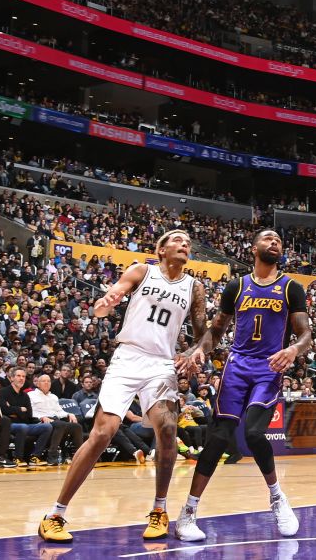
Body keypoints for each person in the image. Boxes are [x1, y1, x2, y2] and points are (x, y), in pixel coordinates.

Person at [38, 230, 207, 544]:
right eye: (177, 240)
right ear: (161, 249)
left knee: (168, 430)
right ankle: (55, 514)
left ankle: (159, 510)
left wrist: (197, 351)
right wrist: (105, 304)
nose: (184, 244)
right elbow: (109, 300)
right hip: (128, 357)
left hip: (160, 364)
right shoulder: (142, 271)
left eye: (187, 242)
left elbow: (203, 334)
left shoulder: (193, 287)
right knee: (103, 433)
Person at [175, 229, 311, 542]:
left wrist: (292, 350)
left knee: (252, 432)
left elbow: (305, 334)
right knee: (218, 437)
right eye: (268, 238)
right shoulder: (237, 286)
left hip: (268, 368)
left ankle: (277, 497)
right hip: (237, 366)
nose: (275, 241)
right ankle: (189, 512)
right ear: (253, 249)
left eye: (279, 238)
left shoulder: (291, 288)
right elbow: (216, 330)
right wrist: (199, 349)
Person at [0, 366, 53, 465]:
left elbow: (28, 414)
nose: (21, 378)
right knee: (22, 427)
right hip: (9, 425)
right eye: (18, 376)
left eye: (23, 376)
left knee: (47, 427)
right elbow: (2, 410)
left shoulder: (25, 395)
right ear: (11, 378)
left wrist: (12, 410)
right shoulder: (4, 392)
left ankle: (35, 456)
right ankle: (18, 458)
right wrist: (20, 409)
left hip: (25, 423)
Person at [30, 374, 83, 465]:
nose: (47, 383)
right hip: (40, 421)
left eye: (48, 381)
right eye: (44, 381)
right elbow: (30, 411)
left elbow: (59, 411)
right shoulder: (31, 395)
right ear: (37, 384)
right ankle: (52, 456)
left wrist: (69, 414)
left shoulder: (53, 397)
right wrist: (41, 417)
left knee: (76, 426)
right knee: (60, 424)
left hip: (55, 420)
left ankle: (80, 456)